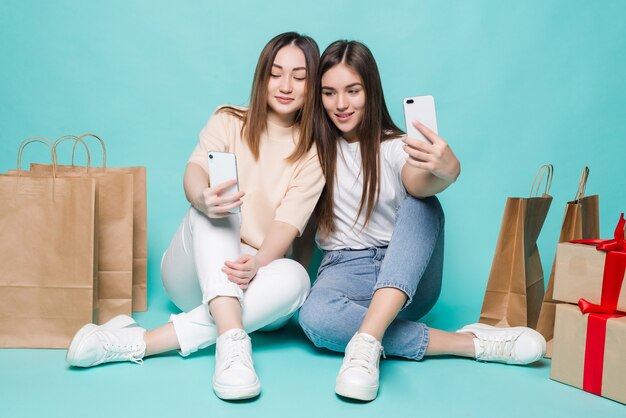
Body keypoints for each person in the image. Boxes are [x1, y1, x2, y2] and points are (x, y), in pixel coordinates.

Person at [65, 32, 325, 401]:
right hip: (195, 272)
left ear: (312, 84)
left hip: (256, 280)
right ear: (262, 75)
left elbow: (287, 225)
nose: (286, 86)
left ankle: (137, 342)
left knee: (298, 277)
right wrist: (202, 198)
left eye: (299, 77)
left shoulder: (315, 152)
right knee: (217, 210)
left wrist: (258, 262)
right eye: (276, 73)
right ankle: (234, 343)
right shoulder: (228, 119)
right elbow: (195, 170)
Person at [298, 40, 546, 402]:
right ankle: (471, 344)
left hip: (407, 277)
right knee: (314, 317)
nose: (341, 104)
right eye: (329, 93)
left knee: (422, 203)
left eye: (353, 91)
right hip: (344, 272)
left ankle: (365, 344)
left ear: (371, 90)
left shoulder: (396, 146)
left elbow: (418, 181)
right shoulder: (311, 153)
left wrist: (446, 173)